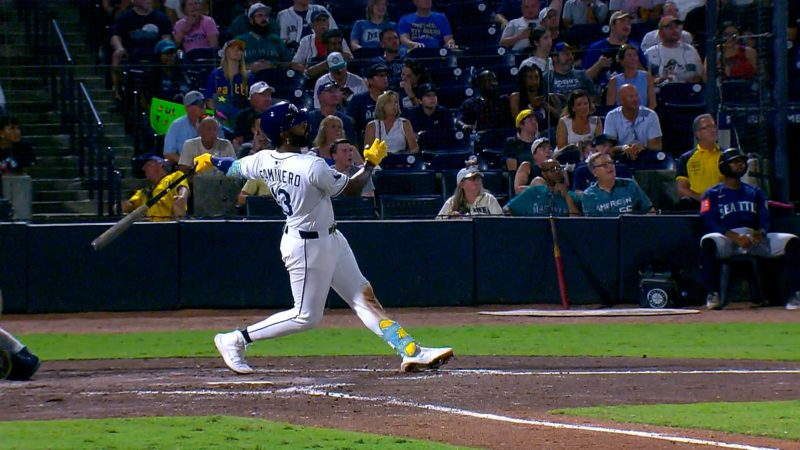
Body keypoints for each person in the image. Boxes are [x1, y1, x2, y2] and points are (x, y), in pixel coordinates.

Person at [194, 101, 454, 374]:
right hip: (307, 246)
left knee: (362, 297)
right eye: (298, 124)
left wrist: (211, 160)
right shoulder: (311, 165)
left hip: (330, 238)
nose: (305, 126)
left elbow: (234, 167)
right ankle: (235, 339)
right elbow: (352, 188)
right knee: (305, 316)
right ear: (284, 133)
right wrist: (370, 164)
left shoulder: (263, 159)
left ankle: (410, 350)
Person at [700, 147, 800, 311]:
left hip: (753, 238)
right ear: (724, 166)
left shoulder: (755, 191)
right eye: (735, 162)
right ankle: (713, 293)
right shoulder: (712, 193)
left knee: (792, 241)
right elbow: (709, 220)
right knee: (708, 241)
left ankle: (794, 294)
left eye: (742, 161)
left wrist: (760, 233)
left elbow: (764, 218)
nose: (740, 164)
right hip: (727, 238)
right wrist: (734, 236)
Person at [109, 0, 172, 102]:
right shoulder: (125, 17)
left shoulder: (161, 18)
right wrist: (119, 48)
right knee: (116, 55)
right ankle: (117, 91)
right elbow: (115, 36)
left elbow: (166, 37)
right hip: (132, 57)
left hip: (154, 59)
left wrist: (166, 47)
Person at [581, 152, 655, 216]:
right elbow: (593, 224)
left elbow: (650, 210)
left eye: (611, 163)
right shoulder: (589, 195)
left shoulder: (629, 184)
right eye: (604, 165)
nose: (610, 166)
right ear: (594, 172)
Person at [582, 11, 644, 86]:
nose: (627, 25)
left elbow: (646, 76)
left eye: (629, 23)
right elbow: (584, 79)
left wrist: (635, 64)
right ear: (612, 25)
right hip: (603, 89)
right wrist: (599, 65)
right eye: (622, 22)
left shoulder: (635, 47)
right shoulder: (596, 47)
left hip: (631, 88)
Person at [603, 83, 662, 162]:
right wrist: (625, 148)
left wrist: (641, 148)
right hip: (621, 159)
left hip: (647, 158)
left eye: (636, 95)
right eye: (631, 97)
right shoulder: (612, 116)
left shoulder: (650, 115)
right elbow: (609, 149)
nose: (635, 99)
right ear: (621, 100)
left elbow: (657, 146)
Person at [675, 113, 723, 208]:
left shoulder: (725, 155)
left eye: (713, 126)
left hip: (722, 204)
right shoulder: (686, 158)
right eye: (707, 127)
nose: (713, 130)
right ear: (697, 134)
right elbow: (682, 188)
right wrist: (703, 199)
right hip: (697, 205)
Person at [122, 153, 189, 220]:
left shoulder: (174, 177)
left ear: (160, 164)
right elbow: (129, 205)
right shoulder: (145, 191)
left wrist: (181, 197)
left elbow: (183, 190)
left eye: (147, 165)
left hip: (170, 224)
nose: (143, 168)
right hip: (152, 225)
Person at [504, 159, 582, 216]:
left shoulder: (572, 196)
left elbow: (575, 224)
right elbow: (507, 210)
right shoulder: (533, 192)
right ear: (544, 174)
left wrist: (566, 197)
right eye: (552, 169)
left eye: (559, 168)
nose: (557, 172)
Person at [163, 90, 222, 165]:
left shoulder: (215, 124)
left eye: (203, 103)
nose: (202, 106)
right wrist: (188, 164)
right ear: (187, 108)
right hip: (186, 167)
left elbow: (222, 149)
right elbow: (169, 154)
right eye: (198, 104)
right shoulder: (176, 126)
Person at [236, 3, 295, 74]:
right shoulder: (240, 41)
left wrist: (272, 66)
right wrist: (249, 67)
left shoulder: (276, 40)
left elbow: (289, 63)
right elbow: (230, 66)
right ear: (251, 20)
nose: (264, 19)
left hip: (274, 78)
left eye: (266, 16)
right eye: (260, 16)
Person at [204, 39, 250, 129]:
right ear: (226, 52)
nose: (237, 51)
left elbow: (252, 100)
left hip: (242, 119)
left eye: (239, 49)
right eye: (233, 48)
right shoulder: (216, 75)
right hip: (220, 120)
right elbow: (209, 99)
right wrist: (221, 116)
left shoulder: (248, 76)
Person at [643, 16, 703, 84]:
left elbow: (701, 75)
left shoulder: (691, 50)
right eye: (670, 28)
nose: (675, 31)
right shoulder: (650, 53)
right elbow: (644, 79)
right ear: (660, 32)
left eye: (677, 27)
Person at [436, 164, 503, 219]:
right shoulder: (451, 202)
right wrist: (450, 220)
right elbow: (438, 225)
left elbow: (501, 223)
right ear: (461, 184)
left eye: (478, 178)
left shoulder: (489, 199)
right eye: (473, 179)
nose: (477, 181)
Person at [545, 42, 598, 110]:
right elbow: (543, 102)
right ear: (554, 58)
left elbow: (593, 96)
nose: (570, 57)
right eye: (566, 54)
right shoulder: (547, 77)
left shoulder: (582, 75)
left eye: (572, 54)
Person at [606, 44, 657, 109]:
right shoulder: (614, 81)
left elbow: (653, 103)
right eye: (629, 55)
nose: (633, 58)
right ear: (622, 61)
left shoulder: (647, 77)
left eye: (635, 55)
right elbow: (610, 106)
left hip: (643, 113)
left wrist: (644, 114)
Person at [346, 63, 390, 136]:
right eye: (381, 76)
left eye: (386, 75)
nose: (385, 78)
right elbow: (350, 123)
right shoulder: (358, 100)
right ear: (370, 80)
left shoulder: (392, 98)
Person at [555, 90, 603, 154]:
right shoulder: (564, 122)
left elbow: (600, 145)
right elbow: (561, 148)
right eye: (579, 104)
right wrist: (580, 147)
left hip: (589, 156)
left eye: (585, 104)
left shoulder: (595, 121)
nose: (583, 107)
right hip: (567, 156)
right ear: (573, 108)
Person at [233, 81, 274, 150]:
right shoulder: (243, 116)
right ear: (252, 98)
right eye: (263, 95)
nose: (268, 99)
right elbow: (237, 142)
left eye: (269, 95)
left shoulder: (275, 115)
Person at [509, 65, 553, 129]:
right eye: (530, 78)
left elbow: (560, 117)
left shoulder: (548, 96)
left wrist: (545, 105)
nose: (534, 81)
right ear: (523, 79)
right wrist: (532, 106)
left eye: (537, 77)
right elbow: (518, 121)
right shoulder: (516, 97)